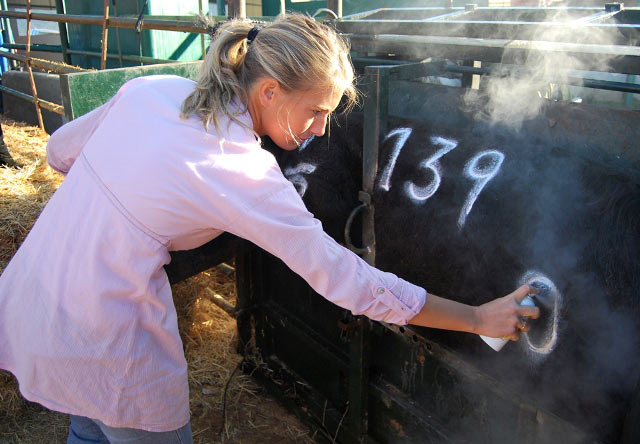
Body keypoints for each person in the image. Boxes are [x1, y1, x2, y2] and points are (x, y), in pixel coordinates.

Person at [0, 14, 539, 444]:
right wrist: (474, 317)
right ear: (269, 92)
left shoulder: (154, 90)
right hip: (105, 337)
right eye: (316, 111)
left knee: (88, 429)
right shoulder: (241, 172)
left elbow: (57, 151)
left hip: (38, 294)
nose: (322, 129)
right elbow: (349, 281)